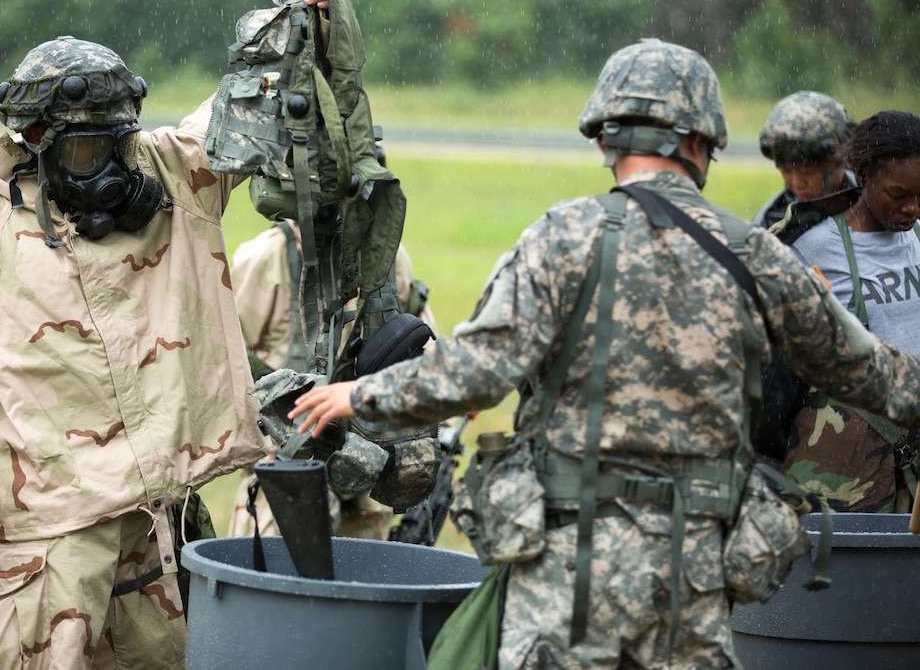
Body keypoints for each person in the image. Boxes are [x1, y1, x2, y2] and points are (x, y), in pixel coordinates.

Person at [290, 39, 920, 668]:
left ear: (602, 142)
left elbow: (478, 372)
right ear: (705, 144)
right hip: (692, 579)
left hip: (567, 575)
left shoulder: (560, 239)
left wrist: (358, 394)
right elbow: (876, 375)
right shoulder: (761, 257)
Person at [0, 0, 334, 670]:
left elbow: (242, 104)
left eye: (116, 145)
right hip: (50, 529)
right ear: (35, 141)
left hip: (159, 526)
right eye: (85, 153)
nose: (108, 171)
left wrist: (299, 25)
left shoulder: (171, 176)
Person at [227, 215, 437, 540]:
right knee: (279, 580)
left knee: (365, 584)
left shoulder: (387, 255)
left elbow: (420, 347)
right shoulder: (267, 257)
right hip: (288, 475)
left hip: (369, 468)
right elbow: (228, 356)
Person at [782, 110, 920, 513]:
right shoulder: (814, 250)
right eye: (898, 194)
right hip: (847, 464)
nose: (912, 208)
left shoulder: (916, 238)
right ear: (864, 174)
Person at [753, 91, 857, 229]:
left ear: (838, 161)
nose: (797, 183)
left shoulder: (871, 208)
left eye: (806, 171)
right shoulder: (770, 222)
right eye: (787, 170)